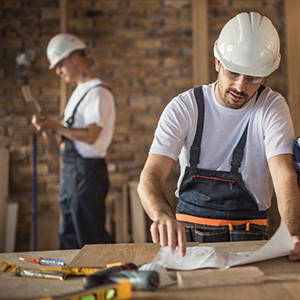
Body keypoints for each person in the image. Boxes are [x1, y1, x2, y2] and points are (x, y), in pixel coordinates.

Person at [137, 12, 300, 261]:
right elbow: (150, 175)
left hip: (250, 237)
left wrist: (292, 232)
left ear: (265, 75)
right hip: (186, 240)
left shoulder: (271, 107)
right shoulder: (185, 107)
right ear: (217, 63)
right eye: (233, 73)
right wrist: (162, 216)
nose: (240, 87)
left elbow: (284, 175)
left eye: (253, 78)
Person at [32, 33, 116, 249]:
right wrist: (47, 129)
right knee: (69, 235)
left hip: (87, 174)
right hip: (72, 174)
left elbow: (91, 135)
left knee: (90, 237)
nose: (58, 71)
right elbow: (66, 139)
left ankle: (99, 279)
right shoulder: (80, 92)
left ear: (75, 58)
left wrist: (56, 126)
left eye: (60, 65)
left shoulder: (97, 92)